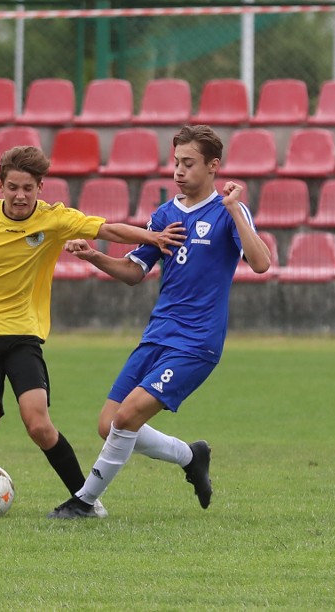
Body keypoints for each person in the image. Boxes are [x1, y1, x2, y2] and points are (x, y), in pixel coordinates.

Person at [0, 145, 186, 516]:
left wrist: (152, 238)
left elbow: (107, 228)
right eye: (12, 186)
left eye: (28, 188)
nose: (19, 195)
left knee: (39, 425)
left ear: (40, 187)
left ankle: (85, 500)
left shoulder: (54, 220)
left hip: (23, 335)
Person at [48, 124, 271, 519]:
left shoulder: (227, 213)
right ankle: (191, 456)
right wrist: (95, 256)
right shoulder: (164, 215)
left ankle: (83, 502)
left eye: (188, 164)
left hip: (197, 342)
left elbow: (261, 263)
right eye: (176, 163)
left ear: (213, 166)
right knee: (108, 424)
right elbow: (135, 272)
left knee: (128, 416)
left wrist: (235, 208)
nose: (179, 172)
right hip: (157, 335)